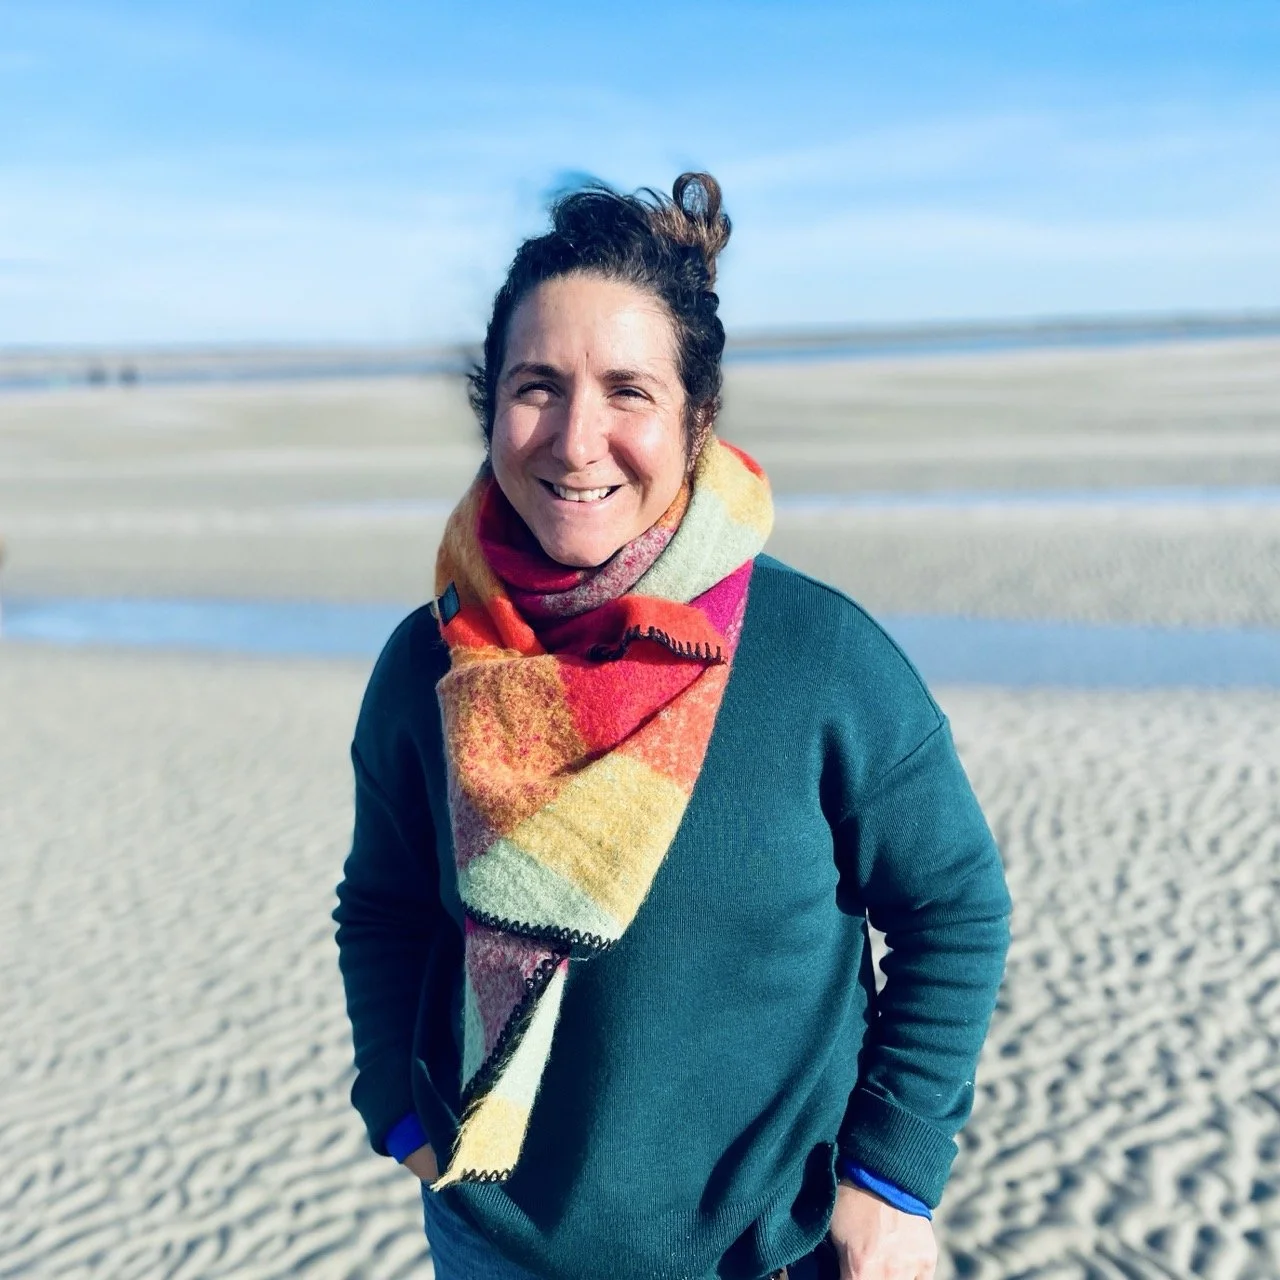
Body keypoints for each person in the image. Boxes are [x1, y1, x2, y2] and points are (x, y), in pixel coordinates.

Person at [333, 173, 1012, 1280]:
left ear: (696, 415)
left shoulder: (815, 655)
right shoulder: (431, 662)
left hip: (765, 1251)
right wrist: (396, 1109)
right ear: (489, 404)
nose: (576, 436)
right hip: (495, 1248)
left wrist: (890, 1180)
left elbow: (954, 906)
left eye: (628, 391)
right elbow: (383, 905)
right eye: (536, 385)